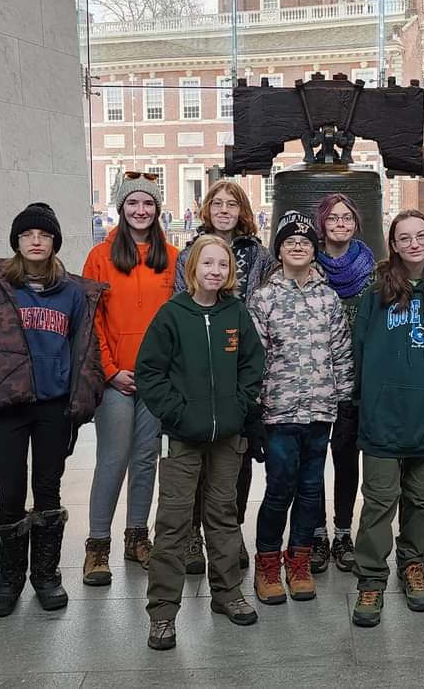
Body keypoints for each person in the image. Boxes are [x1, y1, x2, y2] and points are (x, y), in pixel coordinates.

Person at [0, 203, 105, 617]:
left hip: (54, 407)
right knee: (10, 494)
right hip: (6, 409)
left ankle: (45, 574)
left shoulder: (75, 293)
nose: (36, 240)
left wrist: (85, 401)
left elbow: (87, 353)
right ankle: (9, 577)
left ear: (55, 241)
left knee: (48, 489)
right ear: (17, 243)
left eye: (44, 234)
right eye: (27, 235)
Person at [137, 234, 265, 651]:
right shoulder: (172, 315)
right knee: (174, 521)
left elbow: (252, 365)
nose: (215, 271)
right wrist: (177, 414)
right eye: (207, 263)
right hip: (182, 437)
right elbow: (150, 373)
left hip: (227, 436)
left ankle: (227, 593)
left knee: (223, 515)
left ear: (231, 272)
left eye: (223, 265)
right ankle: (162, 612)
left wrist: (239, 407)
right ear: (193, 269)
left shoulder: (236, 313)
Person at [351, 210, 424, 628]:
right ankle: (371, 577)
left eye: (420, 236)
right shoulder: (376, 292)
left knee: (422, 499)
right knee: (380, 501)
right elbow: (360, 350)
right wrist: (368, 399)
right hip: (384, 415)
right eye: (404, 237)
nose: (413, 243)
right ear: (393, 245)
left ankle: (413, 564)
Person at [247, 211, 354, 604]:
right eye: (290, 241)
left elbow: (341, 353)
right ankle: (268, 562)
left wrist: (343, 403)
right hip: (279, 413)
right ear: (279, 249)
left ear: (314, 251)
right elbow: (253, 358)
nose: (297, 246)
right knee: (279, 489)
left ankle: (300, 560)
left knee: (311, 490)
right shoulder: (263, 299)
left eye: (306, 242)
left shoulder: (328, 299)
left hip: (321, 411)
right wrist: (254, 412)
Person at [81, 173, 180, 586]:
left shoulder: (173, 257)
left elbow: (178, 319)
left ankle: (137, 536)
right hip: (115, 379)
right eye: (133, 203)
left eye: (149, 204)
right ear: (121, 208)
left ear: (158, 210)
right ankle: (97, 545)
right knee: (113, 459)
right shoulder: (99, 256)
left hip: (156, 381)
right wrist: (109, 371)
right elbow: (93, 322)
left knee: (146, 460)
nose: (141, 211)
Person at [175, 180, 273, 573]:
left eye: (233, 203)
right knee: (199, 457)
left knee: (239, 458)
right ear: (207, 209)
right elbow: (179, 307)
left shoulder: (261, 256)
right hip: (202, 366)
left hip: (242, 366)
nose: (225, 209)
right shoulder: (190, 253)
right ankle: (194, 538)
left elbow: (268, 302)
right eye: (217, 202)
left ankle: (230, 533)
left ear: (242, 210)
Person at [310, 193, 377, 573]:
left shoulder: (372, 268)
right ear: (322, 223)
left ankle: (342, 531)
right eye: (332, 218)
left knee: (347, 456)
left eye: (346, 218)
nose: (339, 224)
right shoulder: (306, 263)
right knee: (315, 456)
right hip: (316, 378)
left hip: (355, 377)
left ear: (355, 222)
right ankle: (316, 531)